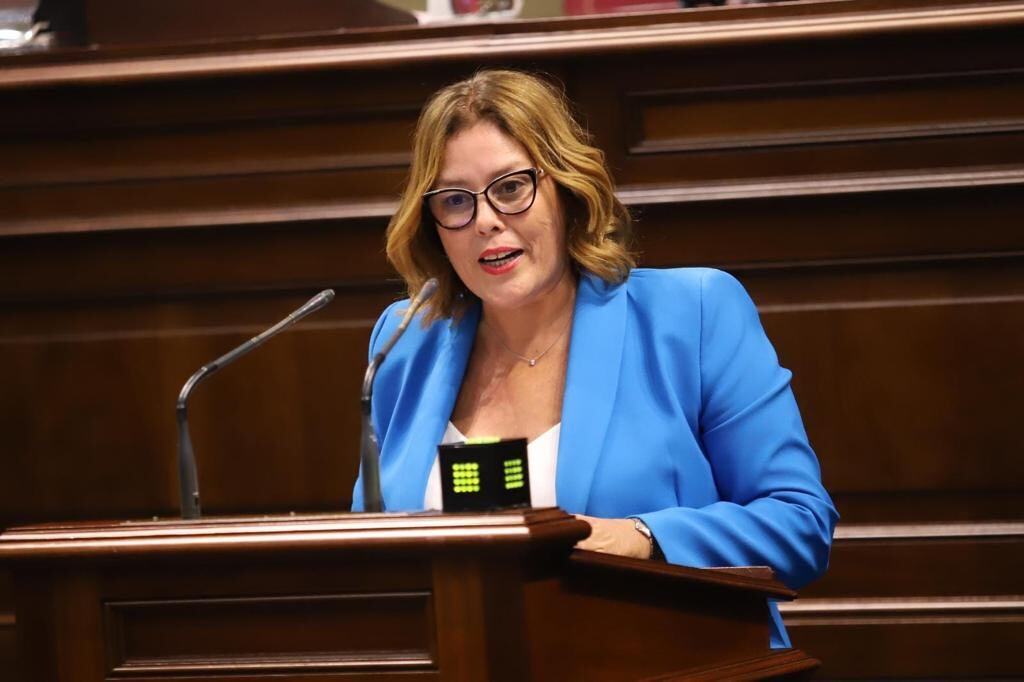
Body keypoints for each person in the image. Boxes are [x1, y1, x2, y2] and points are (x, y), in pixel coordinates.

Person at [351, 69, 837, 648]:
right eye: (455, 200)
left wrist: (643, 536)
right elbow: (368, 552)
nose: (484, 220)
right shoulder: (405, 342)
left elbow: (799, 526)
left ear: (566, 188)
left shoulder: (693, 314)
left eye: (511, 187)